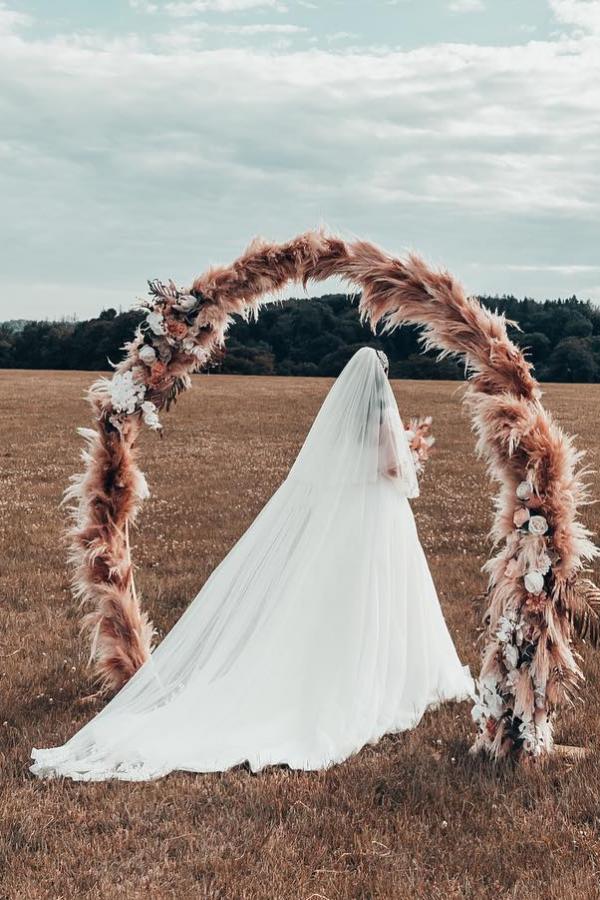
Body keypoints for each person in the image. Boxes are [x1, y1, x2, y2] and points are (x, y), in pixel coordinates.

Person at [31, 347, 472, 781]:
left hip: (351, 518)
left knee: (348, 595)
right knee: (380, 593)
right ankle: (382, 673)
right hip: (377, 517)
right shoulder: (380, 420)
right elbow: (397, 472)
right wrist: (409, 457)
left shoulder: (345, 423)